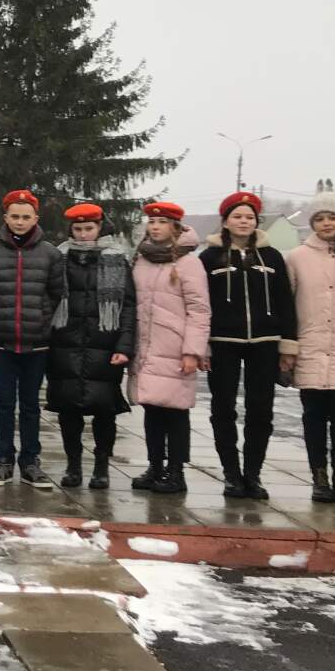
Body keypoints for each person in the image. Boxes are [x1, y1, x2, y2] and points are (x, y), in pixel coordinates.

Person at [201, 191, 295, 498]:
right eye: (238, 216)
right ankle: (231, 474)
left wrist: (288, 345)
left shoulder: (272, 257)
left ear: (257, 222)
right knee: (223, 408)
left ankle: (253, 474)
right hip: (223, 342)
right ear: (225, 222)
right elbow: (200, 305)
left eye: (250, 217)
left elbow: (285, 301)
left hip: (266, 343)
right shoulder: (209, 258)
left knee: (260, 410)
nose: (244, 222)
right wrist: (203, 343)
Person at [44, 203, 136, 490]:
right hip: (64, 344)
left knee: (104, 410)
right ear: (70, 230)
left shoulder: (117, 260)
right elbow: (47, 299)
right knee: (67, 410)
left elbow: (129, 307)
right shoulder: (57, 258)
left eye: (89, 229)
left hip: (104, 345)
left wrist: (124, 345)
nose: (84, 235)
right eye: (78, 229)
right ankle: (73, 466)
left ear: (99, 228)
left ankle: (101, 466)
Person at [0, 188, 65, 489]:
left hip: (36, 342)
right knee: (4, 404)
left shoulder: (51, 255)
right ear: (5, 217)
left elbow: (57, 296)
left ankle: (30, 462)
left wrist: (44, 324)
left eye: (25, 217)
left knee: (30, 405)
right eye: (14, 216)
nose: (19, 222)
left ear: (35, 218)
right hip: (1, 342)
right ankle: (3, 461)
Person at [128, 202, 211, 496]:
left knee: (175, 413)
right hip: (146, 347)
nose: (155, 227)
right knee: (151, 409)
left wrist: (193, 351)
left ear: (175, 227)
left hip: (175, 349)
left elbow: (199, 310)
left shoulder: (189, 263)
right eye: (152, 222)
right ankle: (155, 466)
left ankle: (176, 471)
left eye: (162, 222)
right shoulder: (142, 258)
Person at [281, 184, 335, 502]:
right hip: (311, 350)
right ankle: (319, 478)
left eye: (333, 217)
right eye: (320, 218)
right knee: (314, 420)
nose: (327, 224)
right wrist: (288, 348)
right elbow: (287, 306)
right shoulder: (298, 257)